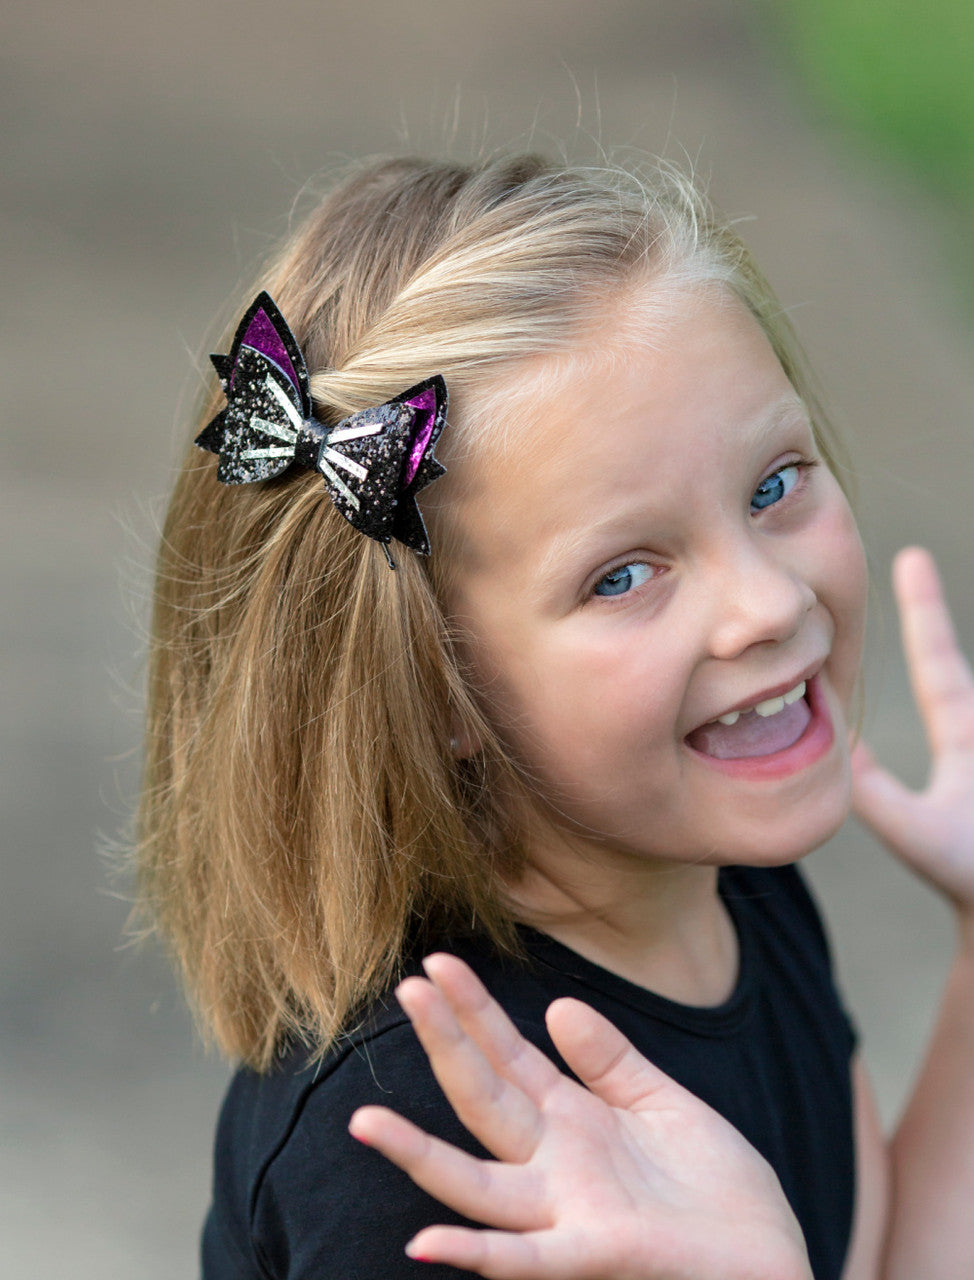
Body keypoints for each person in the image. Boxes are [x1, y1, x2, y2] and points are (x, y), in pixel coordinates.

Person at [134, 154, 974, 1280]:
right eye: (623, 574)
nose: (769, 603)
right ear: (432, 689)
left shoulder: (723, 880)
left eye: (773, 485)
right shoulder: (416, 1142)